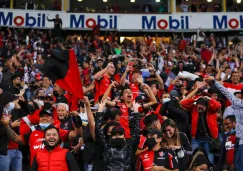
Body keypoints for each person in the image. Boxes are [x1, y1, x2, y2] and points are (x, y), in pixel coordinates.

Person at [206, 77, 243, 171]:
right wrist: (214, 81)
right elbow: (225, 91)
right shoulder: (237, 102)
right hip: (239, 140)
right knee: (238, 164)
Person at [181, 94, 221, 164]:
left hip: (209, 139)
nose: (199, 110)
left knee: (210, 159)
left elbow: (218, 105)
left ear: (206, 106)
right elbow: (183, 103)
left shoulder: (211, 110)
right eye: (198, 108)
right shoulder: (194, 109)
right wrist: (194, 99)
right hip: (196, 139)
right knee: (194, 158)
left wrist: (209, 99)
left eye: (201, 108)